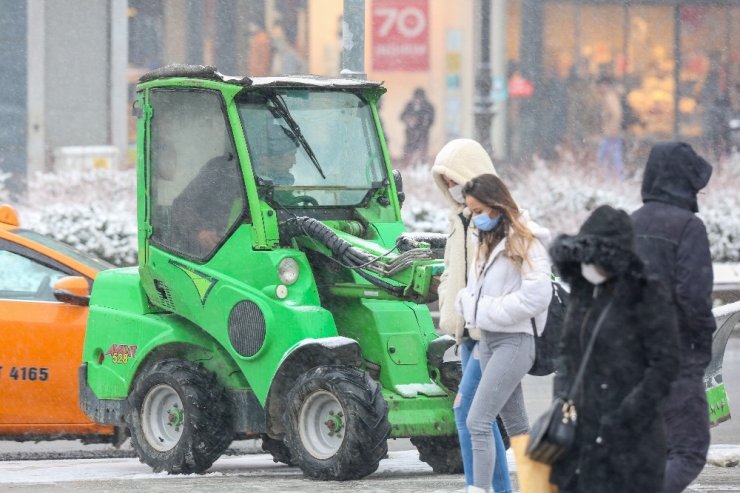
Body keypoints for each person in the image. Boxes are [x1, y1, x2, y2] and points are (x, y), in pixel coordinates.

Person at [548, 205, 680, 493]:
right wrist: (562, 397)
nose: (588, 265)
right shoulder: (584, 294)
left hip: (632, 445)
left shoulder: (646, 294)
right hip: (579, 441)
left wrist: (623, 417)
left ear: (614, 257)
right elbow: (568, 354)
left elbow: (665, 364)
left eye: (594, 258)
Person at [455, 173, 553, 493]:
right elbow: (475, 290)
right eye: (472, 211)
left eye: (480, 210)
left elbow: (538, 295)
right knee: (517, 426)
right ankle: (539, 487)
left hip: (516, 340)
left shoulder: (524, 239)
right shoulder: (485, 240)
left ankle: (479, 489)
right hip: (490, 339)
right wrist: (466, 304)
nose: (476, 217)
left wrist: (488, 310)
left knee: (477, 420)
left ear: (497, 206)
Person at [630, 142, 715, 493]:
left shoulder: (630, 224)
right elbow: (694, 298)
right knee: (689, 450)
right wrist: (702, 347)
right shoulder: (687, 228)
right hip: (676, 355)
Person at [431, 140, 512, 493]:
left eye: (454, 179)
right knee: (482, 417)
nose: (452, 187)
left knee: (467, 414)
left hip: (488, 334)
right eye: (445, 181)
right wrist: (448, 302)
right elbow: (454, 272)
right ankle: (496, 488)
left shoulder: (492, 221)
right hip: (466, 333)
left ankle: (479, 487)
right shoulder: (460, 221)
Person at [596, 75, 624, 180]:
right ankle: (613, 178)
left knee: (605, 156)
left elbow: (616, 114)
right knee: (612, 156)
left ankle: (609, 178)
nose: (598, 89)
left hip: (611, 133)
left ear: (604, 85)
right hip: (612, 132)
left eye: (599, 86)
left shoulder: (610, 97)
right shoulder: (611, 96)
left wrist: (613, 129)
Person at [400, 88, 435, 166]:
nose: (418, 100)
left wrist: (424, 122)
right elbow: (402, 116)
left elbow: (431, 120)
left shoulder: (428, 107)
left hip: (423, 134)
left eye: (420, 98)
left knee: (422, 154)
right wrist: (409, 119)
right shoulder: (410, 105)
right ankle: (407, 167)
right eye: (417, 97)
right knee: (408, 153)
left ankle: (422, 168)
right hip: (410, 135)